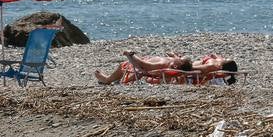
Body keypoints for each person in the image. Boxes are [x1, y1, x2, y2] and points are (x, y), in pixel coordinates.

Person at [95, 51, 238, 85]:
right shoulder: (217, 63)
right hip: (177, 69)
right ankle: (114, 80)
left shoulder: (213, 65)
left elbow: (144, 66)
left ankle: (107, 79)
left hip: (145, 68)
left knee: (124, 66)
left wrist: (130, 54)